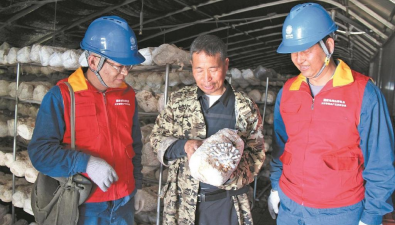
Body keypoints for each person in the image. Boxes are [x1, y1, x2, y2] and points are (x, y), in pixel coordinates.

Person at [268, 3, 395, 225]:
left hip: (340, 212)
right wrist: (276, 186)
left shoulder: (364, 93)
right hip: (290, 207)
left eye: (306, 50)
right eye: (293, 52)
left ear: (329, 45)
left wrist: (372, 215)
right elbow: (280, 146)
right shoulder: (288, 91)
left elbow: (380, 163)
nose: (299, 59)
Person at [28, 15, 146, 224]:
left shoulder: (127, 96)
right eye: (119, 66)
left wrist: (136, 185)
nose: (125, 73)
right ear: (93, 61)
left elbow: (135, 145)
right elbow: (40, 153)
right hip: (84, 205)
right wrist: (86, 163)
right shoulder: (63, 96)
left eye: (129, 66)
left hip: (123, 204)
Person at [150, 34, 265, 225]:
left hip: (226, 204)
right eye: (199, 70)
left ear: (225, 65)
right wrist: (184, 146)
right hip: (183, 203)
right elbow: (156, 139)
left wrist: (225, 174)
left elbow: (256, 156)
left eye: (213, 69)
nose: (206, 78)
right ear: (191, 66)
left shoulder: (244, 107)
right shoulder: (179, 101)